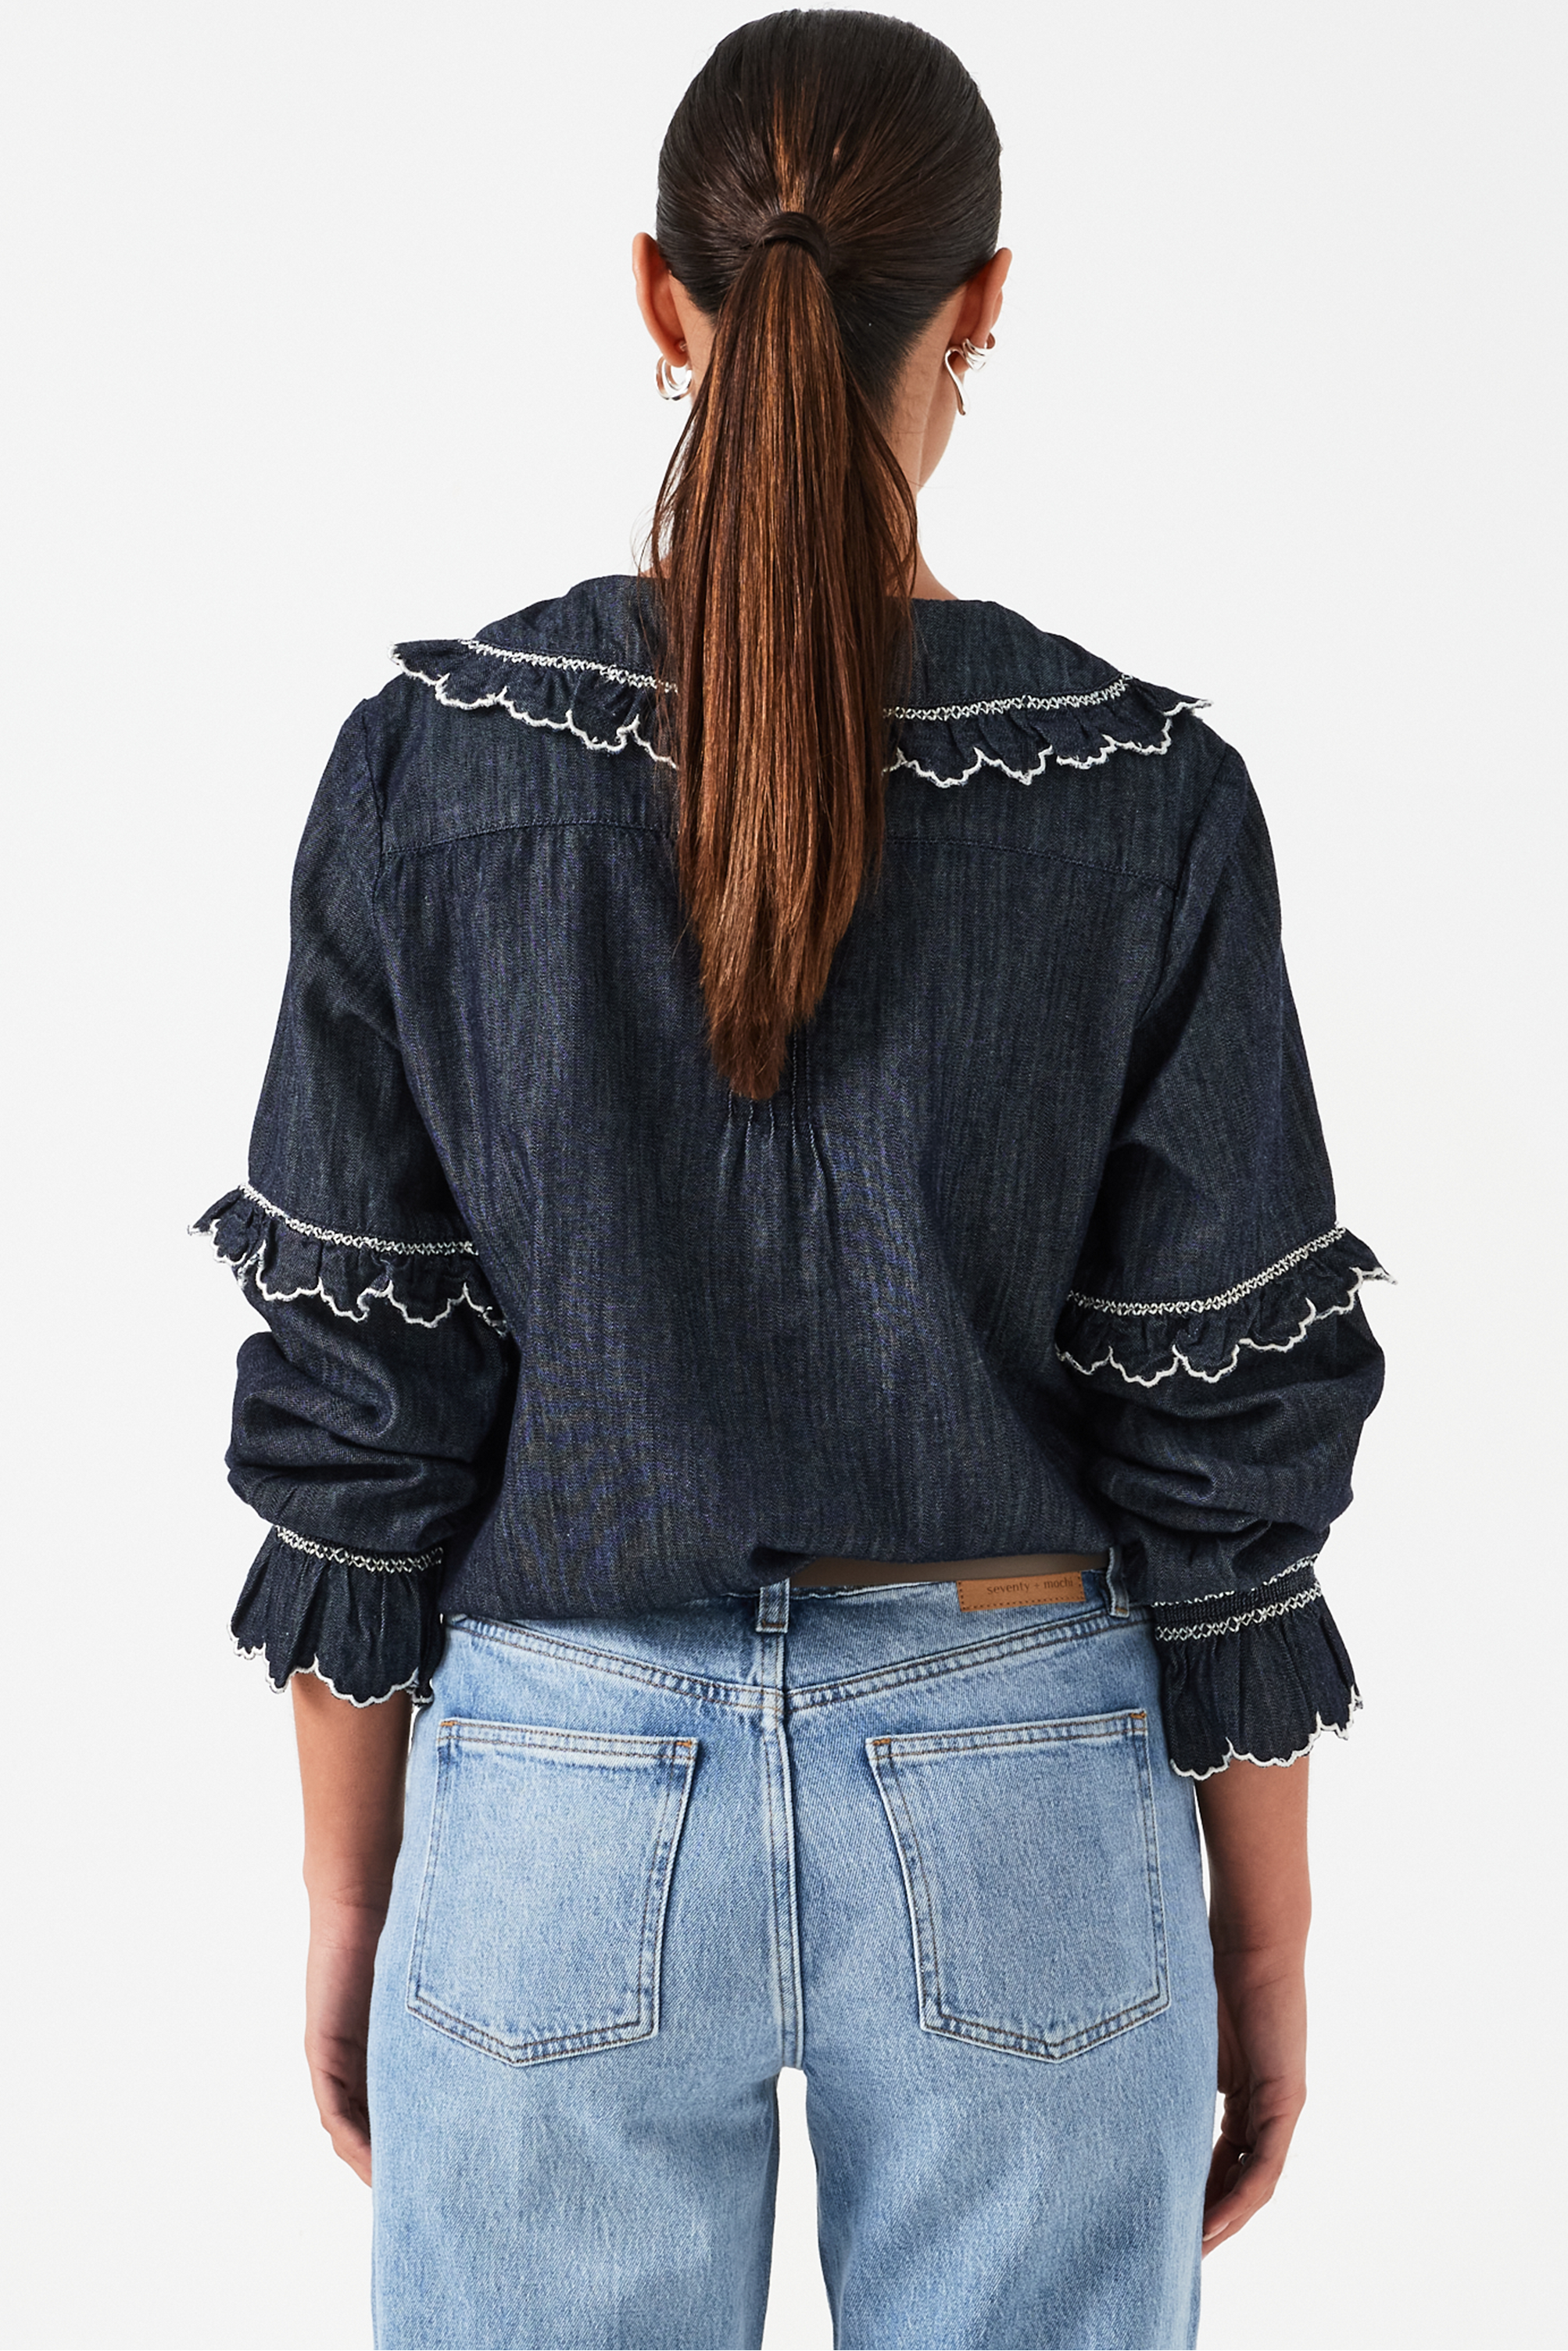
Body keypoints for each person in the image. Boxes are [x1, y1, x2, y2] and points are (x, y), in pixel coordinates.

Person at [195, 13, 1386, 2348]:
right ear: (983, 296)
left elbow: (361, 1411)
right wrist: (1265, 1942)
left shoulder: (433, 779)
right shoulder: (1138, 793)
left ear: (661, 296)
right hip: (1027, 1779)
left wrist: (353, 1906)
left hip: (550, 1786)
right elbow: (1223, 1436)